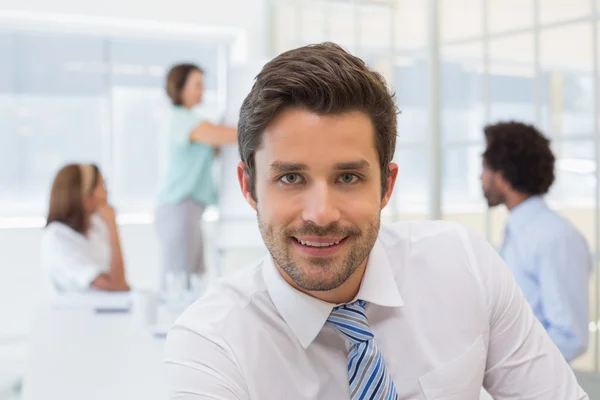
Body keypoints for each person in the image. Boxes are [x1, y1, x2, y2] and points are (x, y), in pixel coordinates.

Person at [164, 43, 588, 399]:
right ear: (249, 186)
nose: (321, 214)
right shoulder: (210, 344)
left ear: (386, 186)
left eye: (348, 177)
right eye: (290, 177)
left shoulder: (464, 264)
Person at [481, 121, 592, 362]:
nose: (481, 177)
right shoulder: (518, 232)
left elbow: (570, 336)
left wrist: (509, 370)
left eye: (485, 168)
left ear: (501, 176)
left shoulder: (555, 237)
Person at [155, 63, 237, 291]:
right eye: (197, 84)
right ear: (180, 87)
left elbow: (217, 144)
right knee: (178, 281)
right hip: (178, 208)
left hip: (190, 210)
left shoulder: (192, 119)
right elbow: (227, 136)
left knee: (194, 278)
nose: (203, 90)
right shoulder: (182, 120)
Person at [41, 164, 129, 292]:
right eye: (102, 187)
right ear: (85, 195)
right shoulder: (57, 238)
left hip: (111, 308)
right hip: (81, 310)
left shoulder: (95, 226)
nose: (106, 194)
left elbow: (122, 285)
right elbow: (116, 286)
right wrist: (112, 225)